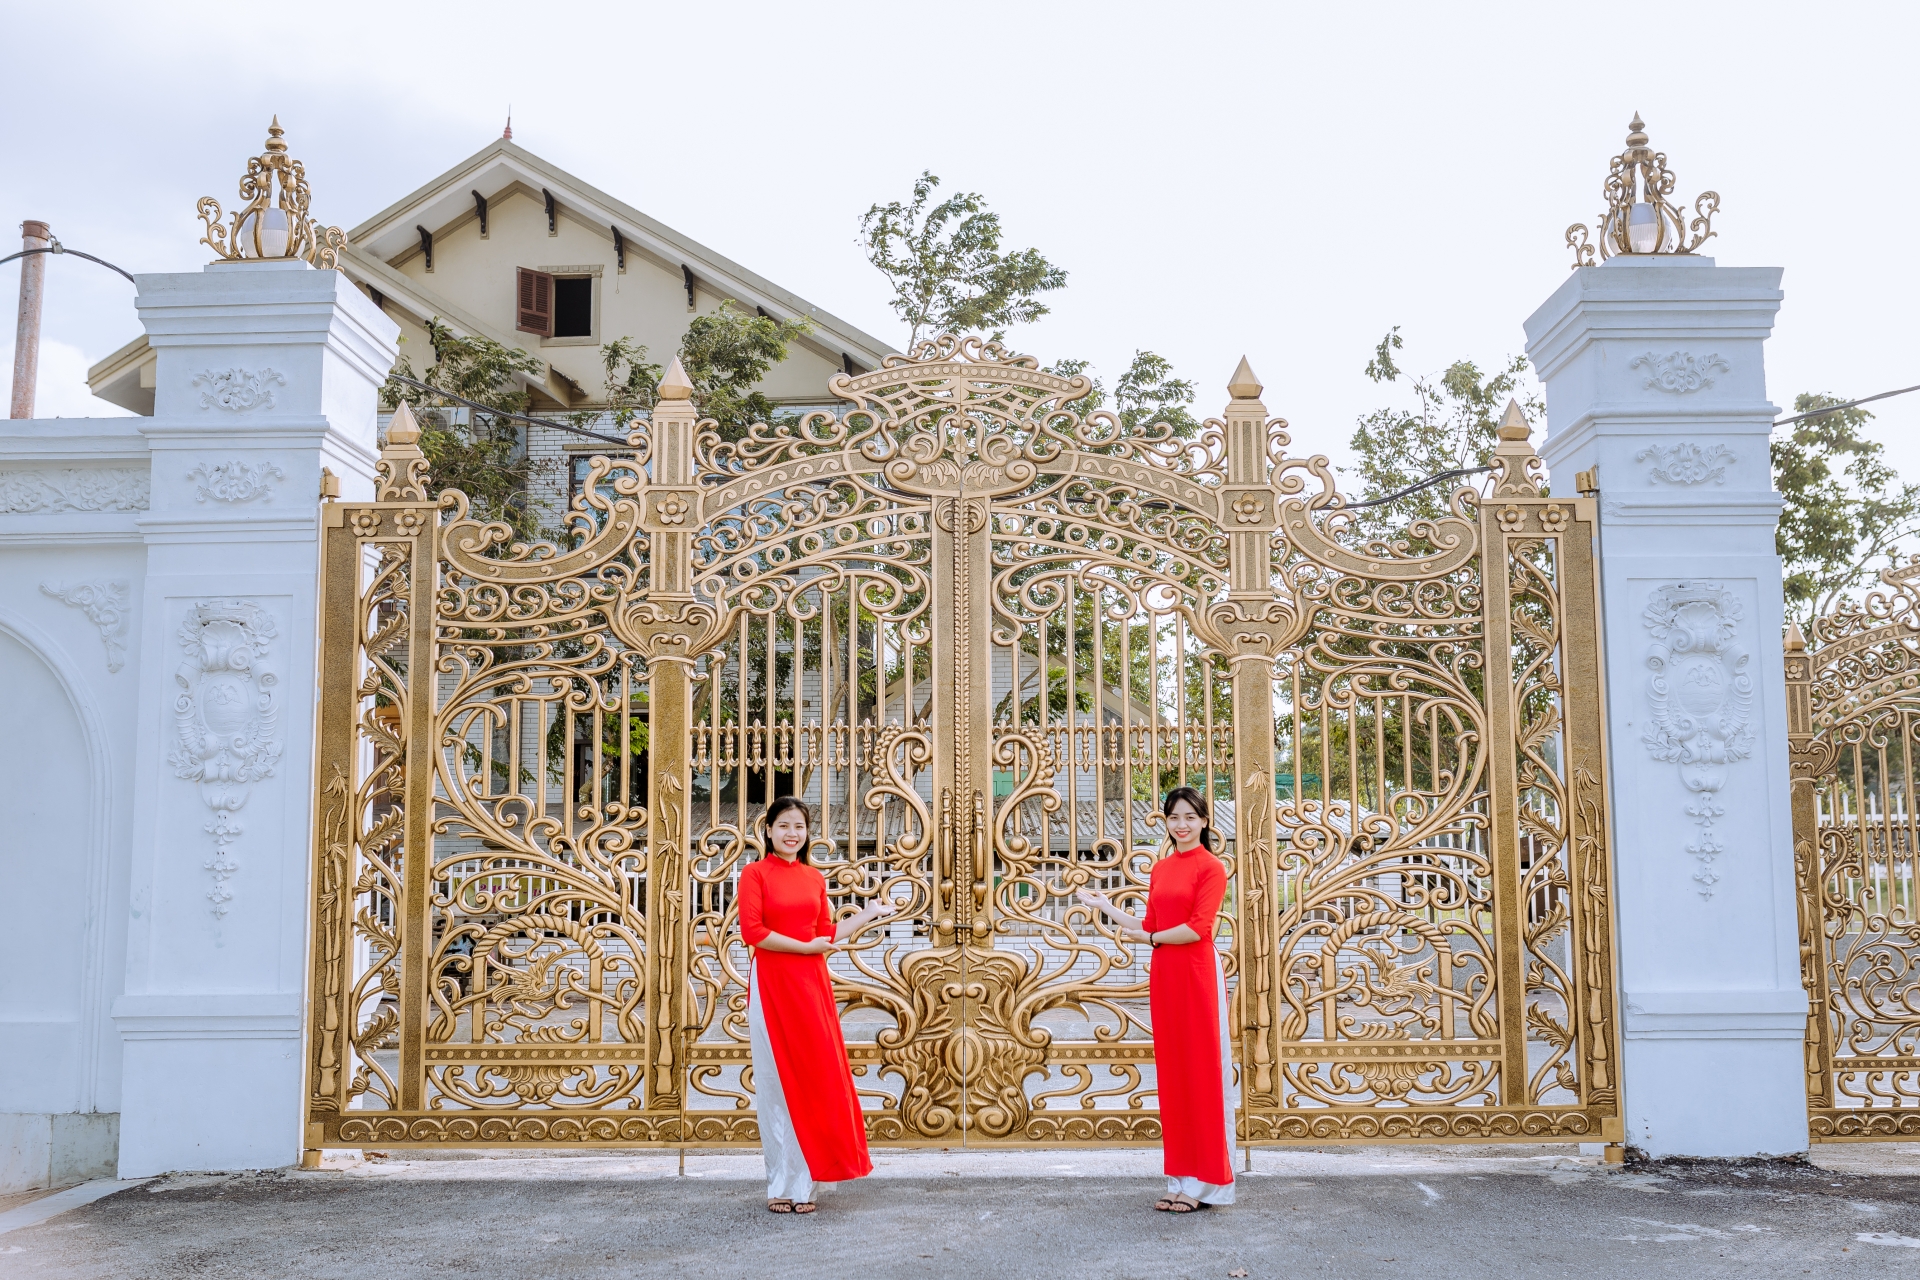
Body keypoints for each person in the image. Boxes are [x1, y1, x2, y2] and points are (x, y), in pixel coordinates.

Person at [1077, 786, 1235, 1212]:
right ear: (1166, 822)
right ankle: (1180, 1178)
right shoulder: (1162, 869)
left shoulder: (1212, 868)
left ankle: (1207, 1184)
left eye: (1190, 817)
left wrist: (1148, 937)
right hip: (1165, 972)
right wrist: (1106, 905)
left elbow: (1197, 929)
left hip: (1196, 973)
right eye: (1174, 817)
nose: (1182, 825)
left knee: (1201, 1074)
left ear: (1204, 821)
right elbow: (1149, 923)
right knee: (1174, 1078)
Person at [738, 795, 894, 1213]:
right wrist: (805, 948)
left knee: (813, 1081)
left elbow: (826, 931)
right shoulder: (754, 874)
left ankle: (805, 1181)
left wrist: (868, 914)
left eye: (800, 827)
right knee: (776, 1085)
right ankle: (780, 1183)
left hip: (810, 988)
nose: (792, 833)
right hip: (772, 984)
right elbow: (754, 932)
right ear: (768, 830)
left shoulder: (813, 878)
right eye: (784, 825)